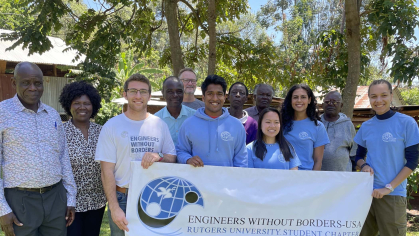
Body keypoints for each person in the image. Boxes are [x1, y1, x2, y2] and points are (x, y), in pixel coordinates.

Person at [0, 62, 77, 236]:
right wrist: (2, 209)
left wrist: (70, 197)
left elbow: (63, 157)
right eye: (26, 83)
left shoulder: (52, 115)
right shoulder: (2, 113)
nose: (33, 88)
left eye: (38, 83)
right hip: (20, 200)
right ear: (14, 83)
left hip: (56, 198)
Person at [95, 74, 177, 236]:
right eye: (133, 91)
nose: (138, 96)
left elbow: (172, 158)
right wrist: (114, 207)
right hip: (123, 197)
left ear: (149, 96)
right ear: (125, 94)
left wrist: (158, 156)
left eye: (143, 92)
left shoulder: (159, 125)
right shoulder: (112, 126)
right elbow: (106, 171)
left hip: (154, 196)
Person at [355, 80, 419, 236]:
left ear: (391, 96)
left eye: (383, 95)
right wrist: (363, 165)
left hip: (392, 195)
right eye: (373, 96)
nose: (378, 101)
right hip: (367, 194)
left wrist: (388, 187)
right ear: (369, 98)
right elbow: (357, 156)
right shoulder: (366, 126)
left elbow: (412, 161)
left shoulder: (407, 123)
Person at [59, 81, 107, 236]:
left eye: (87, 103)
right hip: (70, 203)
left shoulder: (102, 132)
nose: (82, 107)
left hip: (97, 201)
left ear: (93, 106)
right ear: (68, 105)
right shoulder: (60, 132)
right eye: (77, 103)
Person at [176, 75, 248, 167]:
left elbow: (241, 159)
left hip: (227, 180)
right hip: (196, 180)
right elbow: (180, 151)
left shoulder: (236, 125)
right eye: (210, 94)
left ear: (224, 97)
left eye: (219, 94)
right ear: (203, 97)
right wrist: (188, 159)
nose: (215, 98)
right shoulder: (188, 124)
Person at [281, 84, 330, 170]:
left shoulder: (318, 127)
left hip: (306, 178)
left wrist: (313, 182)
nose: (299, 100)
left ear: (309, 100)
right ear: (290, 100)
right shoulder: (280, 124)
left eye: (303, 97)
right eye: (295, 97)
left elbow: (318, 161)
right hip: (282, 176)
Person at [320, 91, 357, 172]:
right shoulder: (316, 123)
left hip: (342, 177)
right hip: (318, 176)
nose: (331, 104)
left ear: (341, 105)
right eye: (327, 102)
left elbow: (353, 152)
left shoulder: (347, 124)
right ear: (323, 105)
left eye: (335, 102)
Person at [155, 76, 196, 146]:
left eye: (179, 91)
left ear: (183, 93)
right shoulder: (156, 120)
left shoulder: (194, 116)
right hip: (165, 157)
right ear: (163, 93)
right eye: (170, 92)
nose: (175, 95)